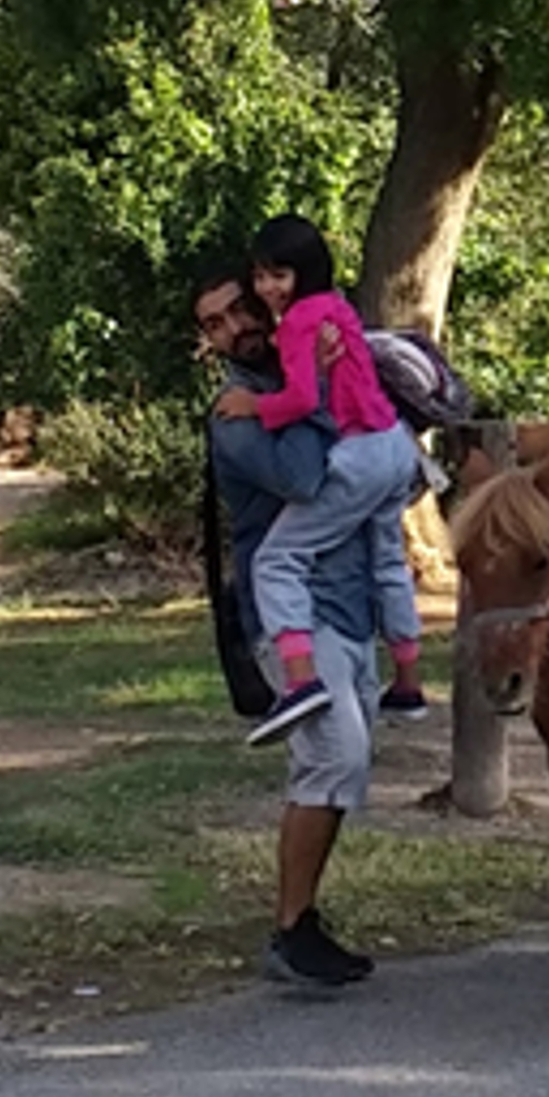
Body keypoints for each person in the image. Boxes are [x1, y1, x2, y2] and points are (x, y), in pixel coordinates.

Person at [194, 261, 382, 989]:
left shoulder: (302, 365)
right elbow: (304, 476)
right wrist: (315, 396)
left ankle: (303, 921)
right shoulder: (235, 414)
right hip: (289, 616)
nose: (235, 327)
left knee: (345, 760)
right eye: (215, 323)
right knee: (333, 755)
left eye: (239, 308)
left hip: (345, 599)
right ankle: (289, 929)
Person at [213, 213, 428, 744]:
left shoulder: (298, 324)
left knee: (276, 559)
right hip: (395, 446)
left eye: (277, 276)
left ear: (304, 272)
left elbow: (304, 401)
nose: (268, 289)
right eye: (260, 277)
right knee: (388, 562)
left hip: (358, 452)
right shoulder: (338, 308)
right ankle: (408, 682)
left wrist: (254, 405)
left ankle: (301, 681)